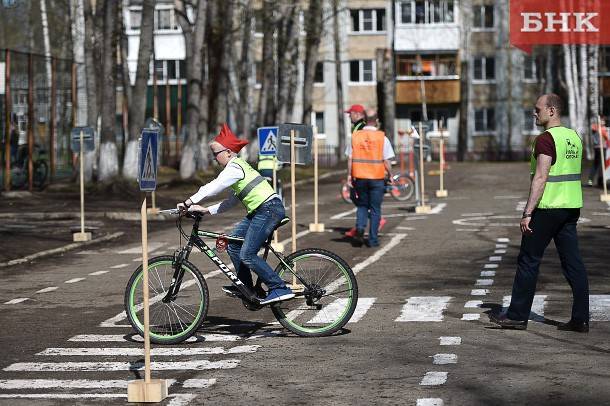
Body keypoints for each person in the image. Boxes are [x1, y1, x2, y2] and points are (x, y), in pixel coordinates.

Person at [491, 94, 589, 333]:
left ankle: (516, 315)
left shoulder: (545, 140)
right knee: (573, 263)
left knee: (528, 260)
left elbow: (542, 176)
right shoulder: (574, 137)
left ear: (552, 111)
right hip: (571, 207)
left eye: (538, 110)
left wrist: (527, 212)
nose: (534, 114)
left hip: (547, 208)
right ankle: (581, 319)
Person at [177, 123, 294, 305]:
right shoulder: (237, 170)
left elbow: (213, 187)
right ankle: (245, 287)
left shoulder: (234, 168)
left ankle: (278, 287)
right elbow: (230, 202)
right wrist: (206, 210)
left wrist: (188, 202)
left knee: (247, 254)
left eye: (216, 154)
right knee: (233, 245)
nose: (214, 158)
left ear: (229, 152)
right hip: (260, 211)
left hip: (268, 209)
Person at [346, 108, 395, 248]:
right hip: (377, 177)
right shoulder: (382, 138)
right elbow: (386, 161)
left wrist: (349, 175)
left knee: (362, 205)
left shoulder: (355, 136)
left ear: (365, 120)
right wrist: (390, 174)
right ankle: (373, 240)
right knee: (375, 209)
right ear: (377, 121)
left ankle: (360, 228)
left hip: (359, 176)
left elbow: (350, 158)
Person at [587, 117, 608, 187]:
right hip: (601, 148)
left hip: (598, 148)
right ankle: (600, 181)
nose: (604, 122)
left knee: (596, 165)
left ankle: (591, 181)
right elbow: (606, 137)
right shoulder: (601, 128)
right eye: (603, 120)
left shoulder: (597, 128)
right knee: (601, 165)